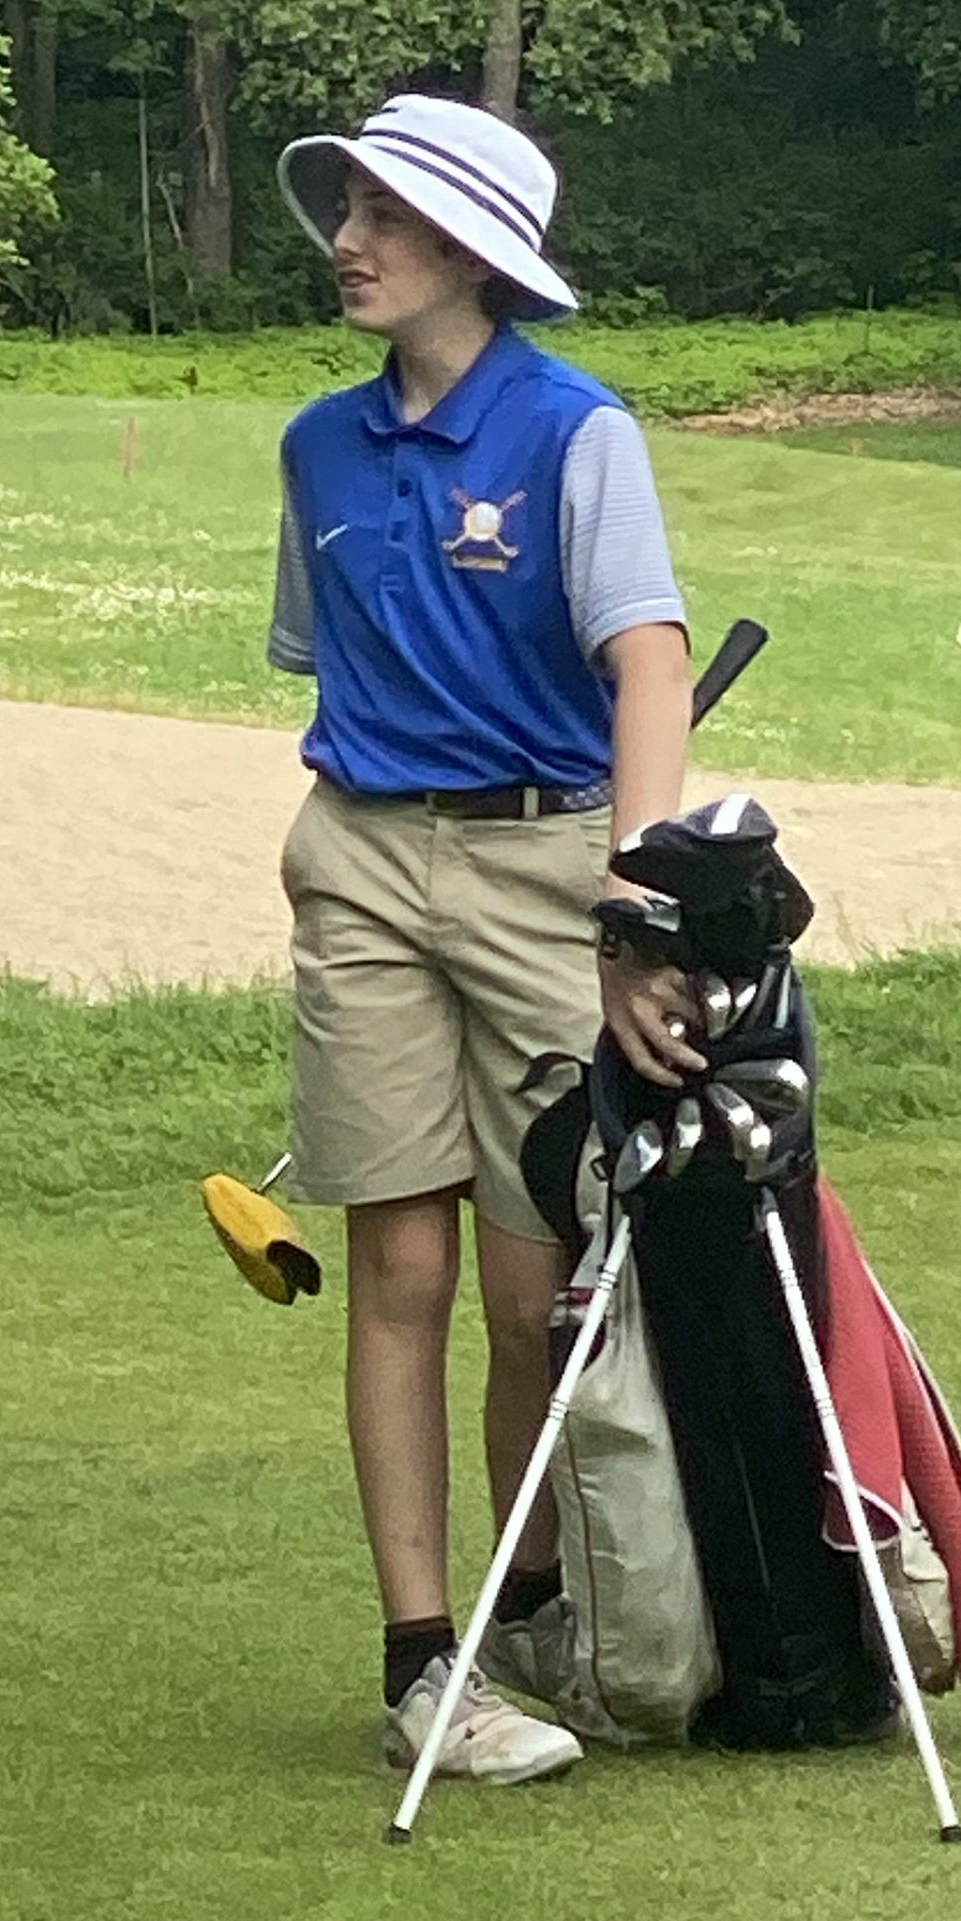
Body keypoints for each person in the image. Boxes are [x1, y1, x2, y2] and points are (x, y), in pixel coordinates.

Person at [269, 92, 704, 1786]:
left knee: (534, 1294)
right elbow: (328, 657)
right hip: (366, 863)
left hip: (545, 872)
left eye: (387, 217)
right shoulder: (318, 445)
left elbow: (649, 665)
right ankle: (422, 1666)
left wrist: (635, 890)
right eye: (353, 211)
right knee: (402, 1267)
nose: (351, 243)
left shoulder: (577, 431)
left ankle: (532, 1617)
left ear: (475, 254)